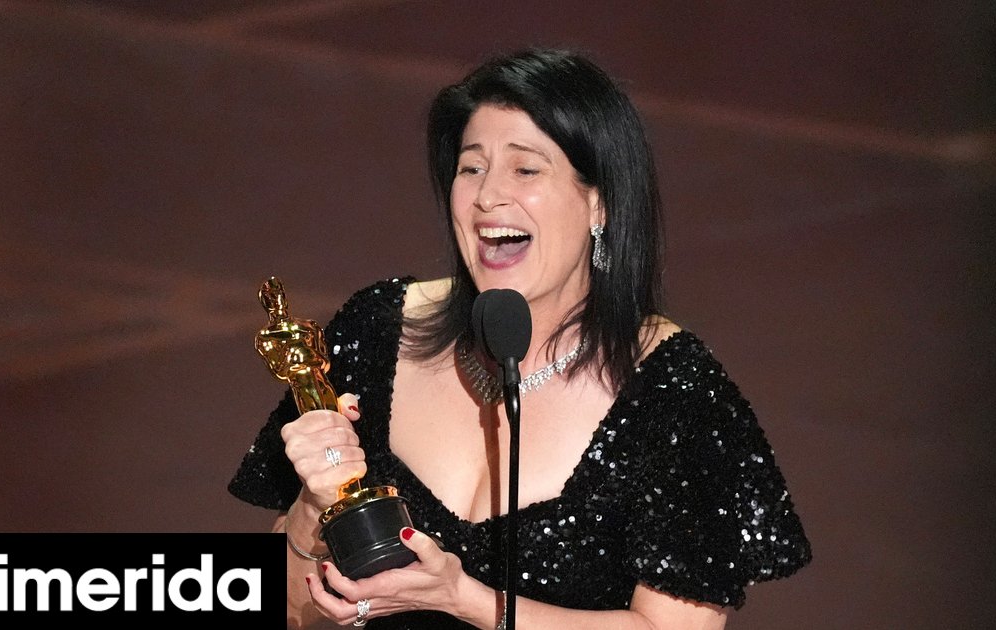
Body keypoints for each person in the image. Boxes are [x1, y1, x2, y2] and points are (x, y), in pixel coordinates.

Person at [229, 48, 811, 629]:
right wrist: (312, 507)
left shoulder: (675, 391)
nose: (487, 196)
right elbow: (280, 606)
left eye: (525, 170)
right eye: (471, 168)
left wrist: (465, 600)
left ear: (600, 202)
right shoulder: (378, 329)